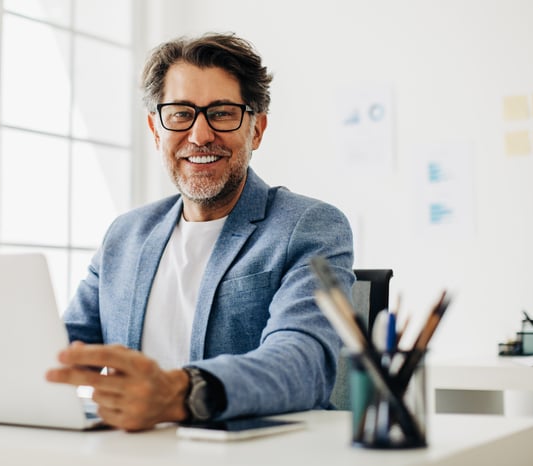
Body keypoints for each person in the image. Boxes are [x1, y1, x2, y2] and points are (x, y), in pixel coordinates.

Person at [46, 32, 354, 431]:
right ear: (156, 130)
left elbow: (304, 361)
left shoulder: (307, 226)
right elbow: (65, 351)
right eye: (179, 113)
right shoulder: (125, 235)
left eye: (223, 113)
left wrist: (179, 393)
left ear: (256, 129)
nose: (200, 135)